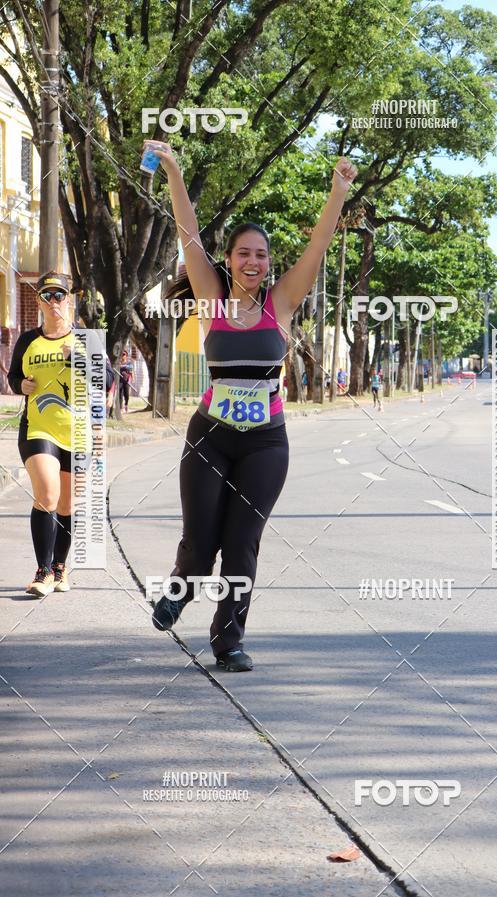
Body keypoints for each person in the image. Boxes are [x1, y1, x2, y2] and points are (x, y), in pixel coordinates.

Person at [145, 138, 357, 671]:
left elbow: (318, 247)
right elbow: (188, 232)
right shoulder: (210, 296)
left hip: (265, 443)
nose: (254, 262)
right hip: (210, 435)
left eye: (261, 255)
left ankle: (229, 641)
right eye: (244, 253)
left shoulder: (282, 302)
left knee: (242, 544)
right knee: (202, 542)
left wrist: (338, 192)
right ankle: (182, 584)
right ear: (230, 259)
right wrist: (172, 168)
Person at [7, 273, 114, 596]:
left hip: (78, 433)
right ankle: (42, 571)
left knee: (67, 505)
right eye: (47, 295)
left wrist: (78, 358)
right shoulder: (27, 339)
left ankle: (59, 568)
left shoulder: (86, 339)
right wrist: (20, 386)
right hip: (38, 428)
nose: (54, 302)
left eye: (60, 295)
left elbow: (106, 380)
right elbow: (14, 377)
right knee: (47, 495)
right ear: (39, 301)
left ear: (70, 300)